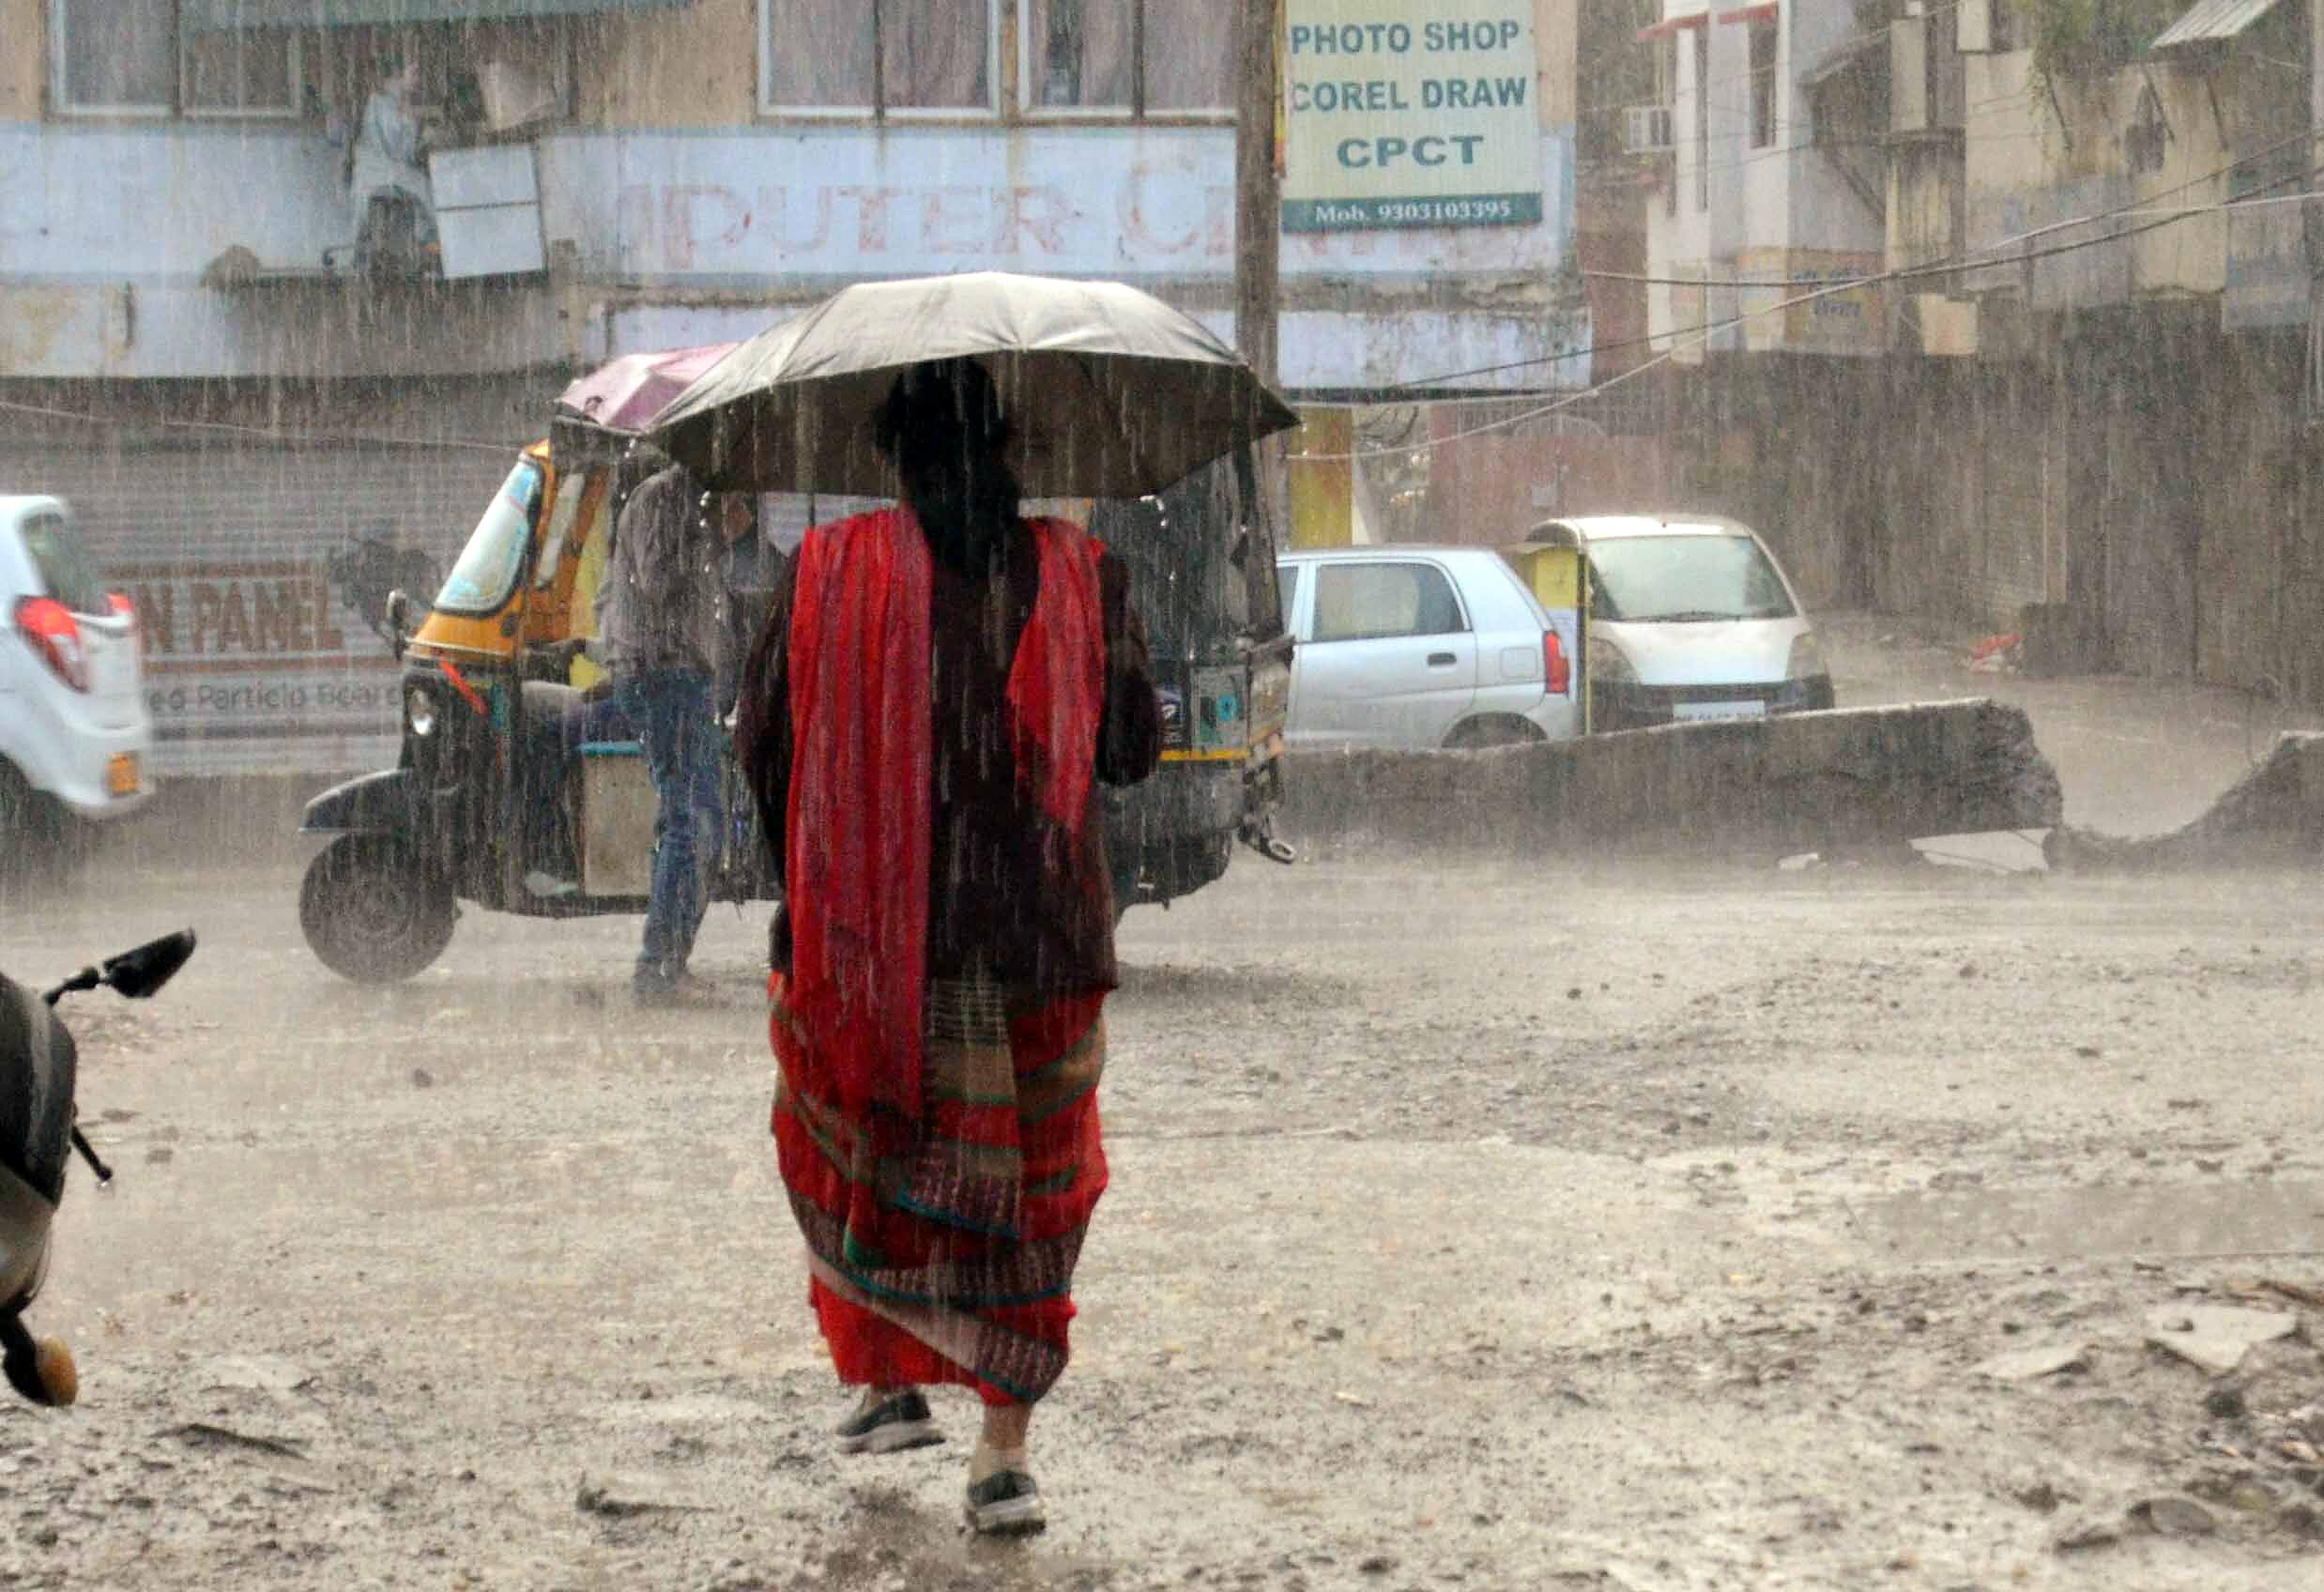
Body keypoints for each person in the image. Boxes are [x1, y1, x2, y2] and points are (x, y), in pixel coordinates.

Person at [735, 358, 1161, 1537]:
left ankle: (887, 1377)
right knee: (1027, 1197)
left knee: (864, 1161)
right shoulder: (1081, 576)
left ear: (894, 458)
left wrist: (832, 869)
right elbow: (1130, 750)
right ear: (1012, 449)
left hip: (875, 955)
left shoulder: (827, 575)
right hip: (1041, 947)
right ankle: (1001, 1457)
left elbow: (763, 745)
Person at [592, 447, 732, 1005]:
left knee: (703, 820)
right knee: (690, 819)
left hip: (679, 673)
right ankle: (657, 969)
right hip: (661, 673)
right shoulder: (662, 497)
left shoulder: (688, 502)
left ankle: (669, 962)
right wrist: (714, 535)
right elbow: (656, 581)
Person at [347, 54, 436, 251]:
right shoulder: (383, 101)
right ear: (398, 75)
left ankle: (427, 240)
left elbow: (403, 153)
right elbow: (401, 153)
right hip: (378, 171)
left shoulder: (392, 100)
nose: (417, 79)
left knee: (422, 185)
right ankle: (431, 240)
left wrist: (419, 136)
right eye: (413, 73)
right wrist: (417, 133)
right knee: (425, 186)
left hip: (380, 171)